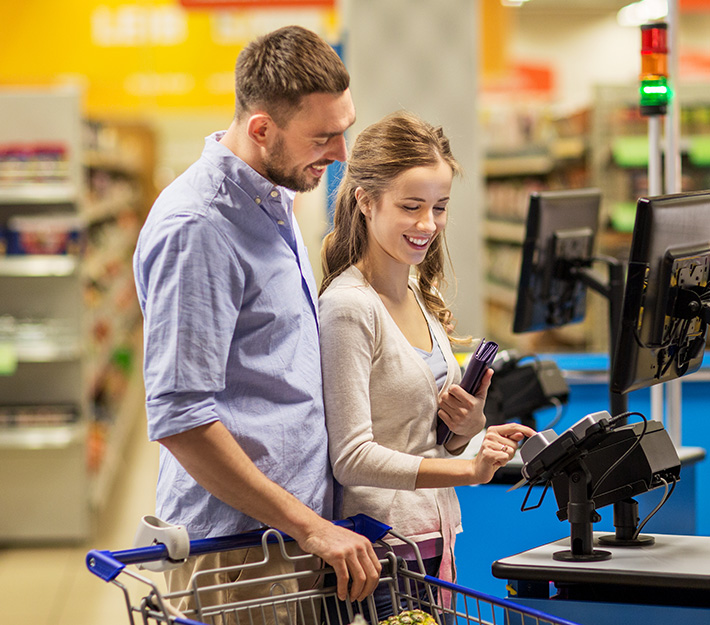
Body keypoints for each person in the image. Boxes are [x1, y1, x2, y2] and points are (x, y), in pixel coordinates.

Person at [132, 25, 381, 617]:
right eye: (324, 137)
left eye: (344, 130)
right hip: (238, 551)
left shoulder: (272, 195)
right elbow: (180, 417)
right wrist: (310, 527)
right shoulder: (200, 228)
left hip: (287, 537)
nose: (341, 154)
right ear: (262, 129)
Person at [318, 111, 535, 618]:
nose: (428, 225)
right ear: (366, 201)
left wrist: (470, 428)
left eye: (439, 207)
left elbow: (424, 437)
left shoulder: (419, 292)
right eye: (411, 206)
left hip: (431, 542)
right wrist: (466, 468)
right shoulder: (350, 308)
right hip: (379, 554)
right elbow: (350, 457)